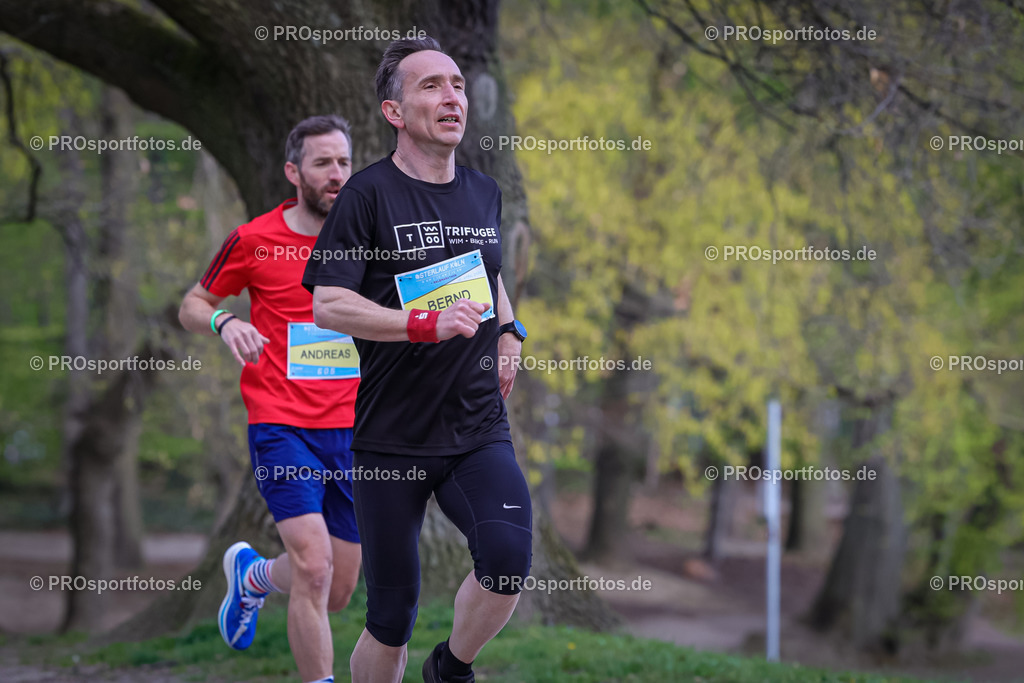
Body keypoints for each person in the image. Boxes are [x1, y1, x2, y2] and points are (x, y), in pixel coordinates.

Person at [302, 37, 532, 683]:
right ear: (394, 112)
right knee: (391, 615)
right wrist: (420, 324)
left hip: (476, 426)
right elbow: (328, 304)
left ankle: (450, 666)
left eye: (456, 84)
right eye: (430, 85)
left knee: (509, 559)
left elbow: (490, 274)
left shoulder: (483, 192)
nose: (451, 96)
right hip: (390, 438)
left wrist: (510, 331)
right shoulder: (367, 196)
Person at [178, 115, 360, 683]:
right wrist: (223, 321)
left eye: (345, 162)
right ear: (293, 172)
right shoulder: (255, 239)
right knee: (313, 566)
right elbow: (191, 303)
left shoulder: (368, 236)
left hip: (356, 429)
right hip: (282, 425)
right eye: (323, 163)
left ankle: (254, 578)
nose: (337, 175)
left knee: (337, 589)